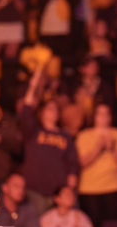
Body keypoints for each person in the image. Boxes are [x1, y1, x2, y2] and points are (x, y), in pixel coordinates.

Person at [20, 68, 79, 215]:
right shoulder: (34, 131)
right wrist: (33, 87)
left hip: (58, 193)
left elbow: (72, 161)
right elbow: (26, 111)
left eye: (55, 109)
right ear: (42, 112)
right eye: (49, 108)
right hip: (34, 190)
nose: (52, 111)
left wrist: (71, 182)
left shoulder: (65, 136)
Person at [76, 103, 117, 227]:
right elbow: (82, 163)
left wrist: (112, 148)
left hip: (115, 187)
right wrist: (99, 147)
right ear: (94, 117)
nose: (104, 117)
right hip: (89, 189)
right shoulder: (83, 135)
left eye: (107, 113)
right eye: (100, 113)